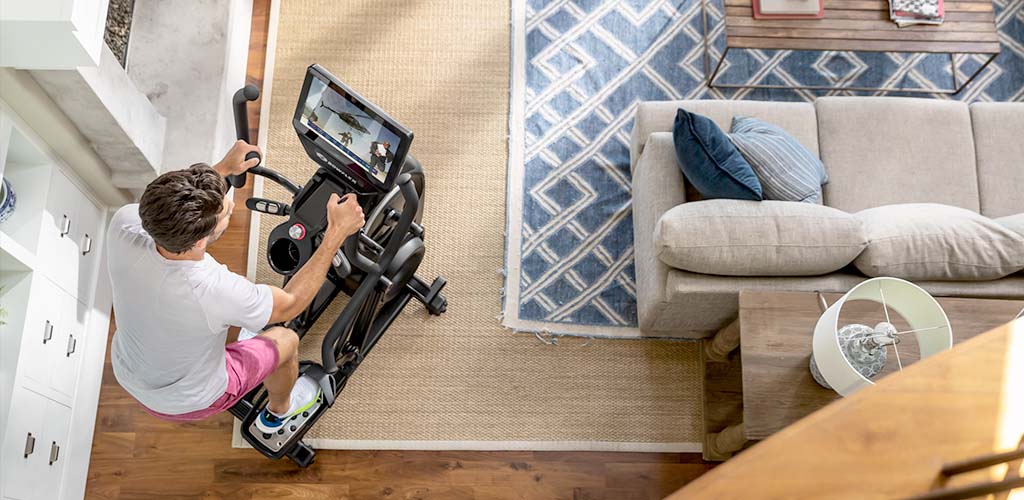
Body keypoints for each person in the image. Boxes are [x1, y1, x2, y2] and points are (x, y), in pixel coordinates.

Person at [106, 140, 365, 433]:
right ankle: (280, 412)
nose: (231, 206)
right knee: (285, 339)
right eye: (227, 212)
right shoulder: (212, 289)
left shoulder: (125, 224)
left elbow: (173, 207)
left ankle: (240, 343)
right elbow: (291, 303)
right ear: (200, 239)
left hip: (131, 370)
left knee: (232, 306)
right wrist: (336, 233)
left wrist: (223, 170)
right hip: (191, 398)